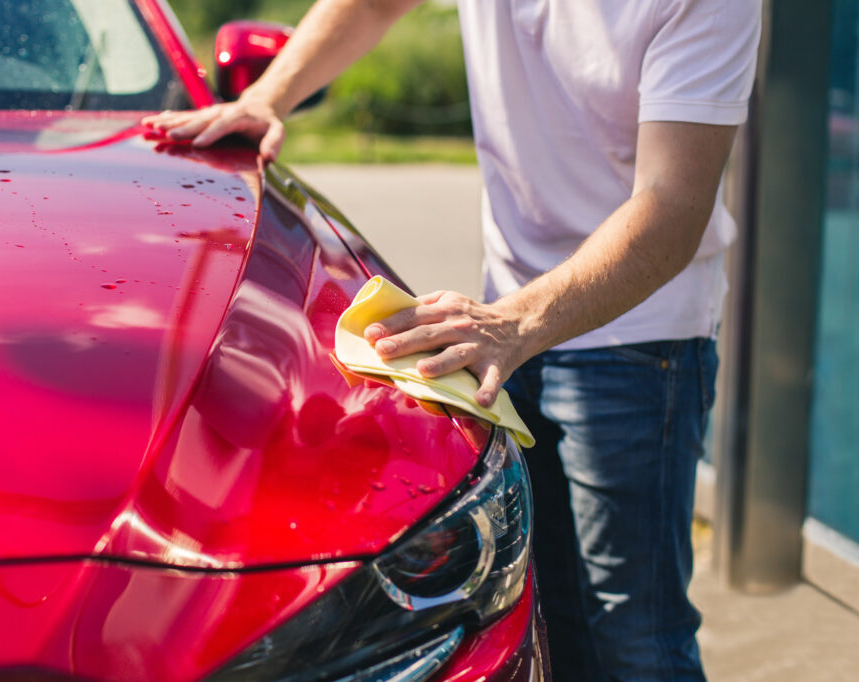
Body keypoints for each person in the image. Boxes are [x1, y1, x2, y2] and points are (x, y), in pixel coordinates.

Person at [144, 1, 761, 679]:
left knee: (630, 635)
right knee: (538, 610)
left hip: (637, 341)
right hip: (507, 317)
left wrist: (515, 323)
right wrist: (268, 97)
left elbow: (673, 205)